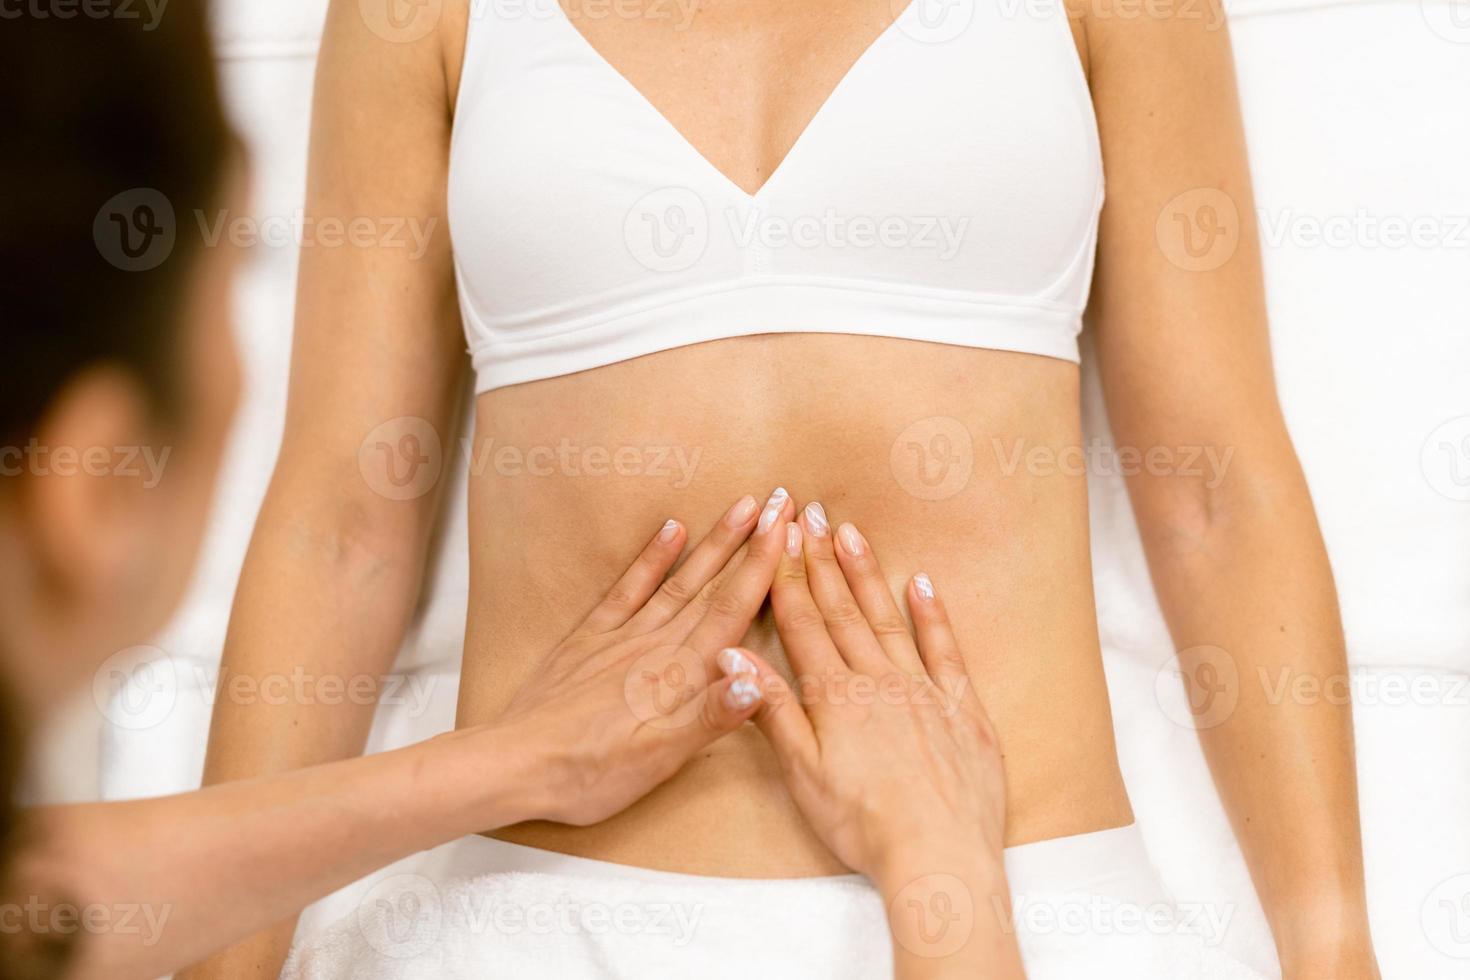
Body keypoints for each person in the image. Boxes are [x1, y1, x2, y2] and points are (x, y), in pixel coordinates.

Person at [192, 0, 1380, 976]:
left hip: (1030, 904)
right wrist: (225, 962)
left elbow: (1214, 484)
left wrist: (1332, 952)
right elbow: (345, 517)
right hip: (535, 915)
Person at [0, 7, 1019, 978]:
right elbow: (343, 509)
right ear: (93, 484)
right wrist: (945, 873)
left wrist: (515, 759)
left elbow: (42, 899)